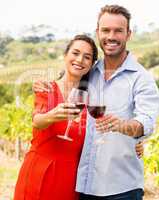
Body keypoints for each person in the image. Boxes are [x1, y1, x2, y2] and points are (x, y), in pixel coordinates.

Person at [14, 34, 144, 200]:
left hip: (71, 177)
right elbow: (37, 121)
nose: (80, 60)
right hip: (40, 171)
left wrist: (136, 142)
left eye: (87, 57)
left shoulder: (92, 100)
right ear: (65, 55)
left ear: (91, 65)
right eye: (75, 53)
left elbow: (106, 129)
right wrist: (52, 115)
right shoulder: (46, 88)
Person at [76, 5, 159, 200]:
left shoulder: (141, 78)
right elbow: (69, 99)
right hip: (85, 184)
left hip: (121, 189)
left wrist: (123, 126)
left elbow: (144, 123)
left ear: (128, 34)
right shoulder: (88, 73)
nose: (111, 36)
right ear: (98, 32)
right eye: (106, 30)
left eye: (118, 31)